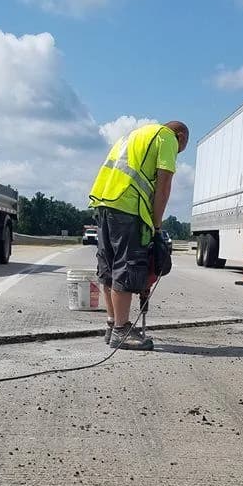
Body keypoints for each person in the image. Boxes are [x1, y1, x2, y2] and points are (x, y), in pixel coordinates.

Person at [89, 121, 189, 350]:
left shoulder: (133, 137)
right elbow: (164, 185)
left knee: (109, 267)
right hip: (128, 206)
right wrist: (156, 226)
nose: (179, 151)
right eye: (183, 147)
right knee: (126, 267)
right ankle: (122, 330)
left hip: (104, 203)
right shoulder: (167, 137)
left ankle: (113, 324)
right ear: (181, 136)